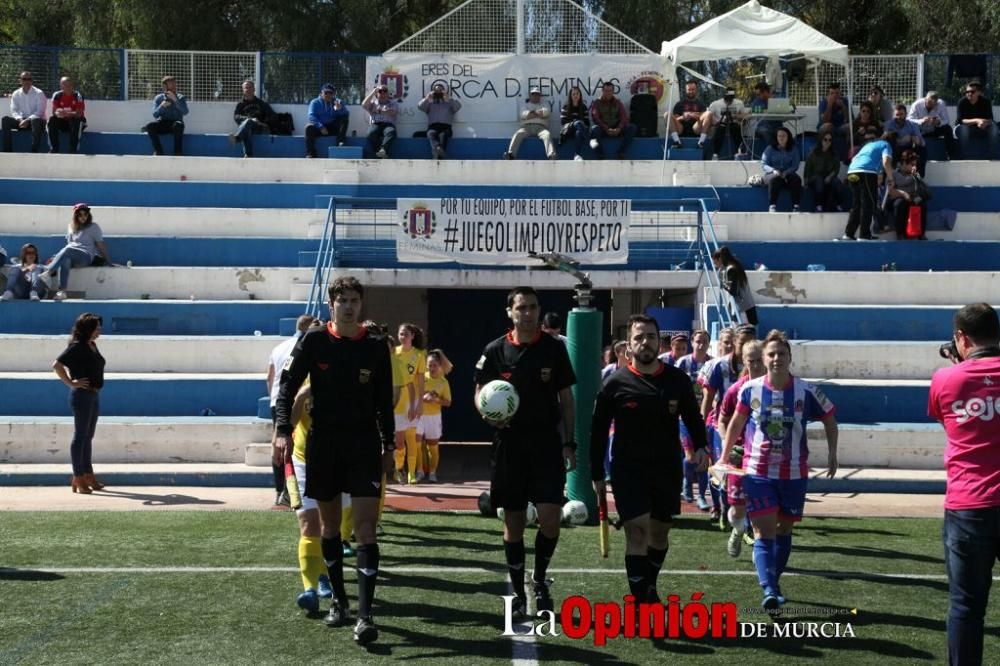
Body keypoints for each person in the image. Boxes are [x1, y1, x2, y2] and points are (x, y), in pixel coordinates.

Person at [273, 276, 395, 645]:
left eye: (355, 300)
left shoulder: (375, 347)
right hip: (323, 444)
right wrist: (281, 429)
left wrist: (388, 445)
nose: (348, 305)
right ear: (331, 304)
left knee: (365, 529)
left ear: (361, 305)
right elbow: (287, 386)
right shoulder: (313, 340)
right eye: (342, 299)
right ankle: (339, 602)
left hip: (362, 445)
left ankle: (366, 614)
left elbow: (383, 401)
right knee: (328, 528)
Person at [590, 314, 708, 609]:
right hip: (628, 468)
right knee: (638, 530)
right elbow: (598, 430)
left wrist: (702, 446)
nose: (645, 342)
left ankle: (649, 584)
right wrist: (595, 471)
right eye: (638, 337)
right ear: (628, 346)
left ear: (659, 342)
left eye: (651, 337)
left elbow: (693, 417)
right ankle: (640, 601)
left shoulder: (677, 380)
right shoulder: (614, 383)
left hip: (666, 467)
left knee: (659, 533)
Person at [474, 286, 576, 619]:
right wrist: (487, 414)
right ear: (510, 312)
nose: (527, 313)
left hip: (546, 444)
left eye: (533, 307)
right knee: (514, 521)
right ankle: (518, 592)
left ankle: (541, 578)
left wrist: (569, 442)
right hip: (509, 446)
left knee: (549, 520)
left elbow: (567, 398)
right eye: (521, 308)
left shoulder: (554, 349)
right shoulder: (494, 350)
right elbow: (480, 392)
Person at [721, 329, 838, 611]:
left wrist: (833, 454)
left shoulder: (806, 390)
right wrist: (724, 457)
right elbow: (735, 424)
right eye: (771, 354)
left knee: (785, 529)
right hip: (757, 473)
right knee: (763, 532)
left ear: (790, 357)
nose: (776, 359)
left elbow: (830, 418)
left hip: (794, 474)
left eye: (781, 354)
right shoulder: (750, 390)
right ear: (763, 358)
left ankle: (775, 580)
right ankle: (769, 590)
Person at [928, 303, 1000, 666]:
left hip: (968, 504)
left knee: (966, 607)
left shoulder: (945, 378)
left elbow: (948, 420)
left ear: (961, 338)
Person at [698, 324, 757, 525]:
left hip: (750, 428)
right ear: (734, 343)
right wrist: (699, 428)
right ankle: (719, 507)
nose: (747, 346)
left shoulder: (759, 366)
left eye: (751, 342)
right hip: (721, 424)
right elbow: (707, 398)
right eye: (743, 342)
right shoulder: (719, 366)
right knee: (720, 468)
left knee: (747, 474)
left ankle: (744, 516)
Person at [286, 380, 335, 612]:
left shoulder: (341, 371)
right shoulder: (299, 377)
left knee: (330, 527)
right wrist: (302, 395)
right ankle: (309, 590)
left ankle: (325, 575)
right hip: (303, 460)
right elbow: (290, 421)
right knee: (308, 525)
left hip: (335, 461)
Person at [715, 339, 766, 557]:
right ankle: (738, 530)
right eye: (750, 360)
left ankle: (760, 553)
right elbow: (722, 420)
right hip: (737, 458)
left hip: (764, 458)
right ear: (743, 361)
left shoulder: (775, 389)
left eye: (758, 360)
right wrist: (729, 445)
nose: (754, 365)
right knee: (737, 510)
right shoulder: (737, 389)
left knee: (762, 509)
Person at [52, 312, 107, 495]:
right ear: (88, 329)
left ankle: (88, 474)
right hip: (81, 396)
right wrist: (71, 382)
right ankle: (78, 475)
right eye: (97, 327)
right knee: (81, 435)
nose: (100, 330)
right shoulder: (77, 346)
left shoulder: (93, 345)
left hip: (93, 394)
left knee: (88, 436)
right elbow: (57, 365)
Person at [266, 315, 316, 508]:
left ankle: (282, 490)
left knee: (279, 444)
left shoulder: (279, 348)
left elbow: (269, 377)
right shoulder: (308, 347)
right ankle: (292, 491)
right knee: (295, 443)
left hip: (278, 400)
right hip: (297, 400)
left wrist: (274, 399)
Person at [40, 203, 112, 301]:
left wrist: (108, 260)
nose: (83, 217)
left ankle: (48, 273)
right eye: (80, 214)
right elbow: (70, 243)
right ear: (75, 215)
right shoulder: (71, 227)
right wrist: (57, 257)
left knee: (67, 250)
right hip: (71, 255)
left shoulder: (93, 227)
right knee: (65, 260)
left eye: (85, 214)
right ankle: (62, 291)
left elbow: (100, 245)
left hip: (85, 256)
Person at [677, 329, 713, 507]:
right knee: (690, 456)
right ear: (692, 342)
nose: (701, 344)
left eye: (704, 341)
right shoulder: (683, 363)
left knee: (703, 457)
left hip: (706, 416)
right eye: (698, 341)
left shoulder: (712, 363)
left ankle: (701, 497)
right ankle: (687, 485)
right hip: (685, 417)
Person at [843, 130, 895, 241]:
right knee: (868, 204)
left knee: (857, 204)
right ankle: (864, 235)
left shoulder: (870, 145)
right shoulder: (886, 145)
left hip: (852, 172)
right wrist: (891, 178)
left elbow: (875, 165)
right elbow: (886, 162)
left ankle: (849, 234)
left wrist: (878, 178)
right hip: (865, 172)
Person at [393, 323, 427, 484]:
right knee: (399, 440)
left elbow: (420, 381)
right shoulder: (394, 353)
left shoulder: (419, 355)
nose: (403, 337)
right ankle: (399, 468)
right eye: (401, 334)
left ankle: (411, 473)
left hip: (412, 401)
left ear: (412, 336)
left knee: (411, 437)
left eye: (406, 334)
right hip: (397, 400)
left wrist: (419, 403)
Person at [420, 348, 452, 482]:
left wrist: (435, 400)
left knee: (432, 446)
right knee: (418, 445)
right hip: (419, 416)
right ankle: (420, 471)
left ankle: (432, 472)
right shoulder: (421, 377)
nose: (432, 368)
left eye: (435, 365)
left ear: (439, 366)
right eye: (430, 365)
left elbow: (448, 402)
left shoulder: (443, 381)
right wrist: (423, 397)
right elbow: (413, 394)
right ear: (426, 365)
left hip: (434, 417)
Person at [886, 150, 931, 240]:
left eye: (915, 164)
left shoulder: (915, 174)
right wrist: (903, 194)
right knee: (899, 204)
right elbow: (891, 191)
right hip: (896, 198)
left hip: (911, 198)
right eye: (911, 164)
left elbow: (922, 188)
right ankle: (900, 234)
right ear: (903, 163)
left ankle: (921, 233)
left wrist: (916, 177)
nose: (914, 167)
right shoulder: (893, 174)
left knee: (922, 204)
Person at [588, 81, 637, 160]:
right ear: (602, 91)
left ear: (613, 91)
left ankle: (621, 152)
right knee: (594, 130)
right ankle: (600, 155)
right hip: (604, 130)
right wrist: (606, 128)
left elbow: (624, 117)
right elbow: (595, 118)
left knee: (632, 127)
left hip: (616, 129)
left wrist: (619, 128)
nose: (608, 93)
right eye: (606, 91)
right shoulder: (597, 103)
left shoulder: (618, 102)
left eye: (610, 91)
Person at [504, 87, 555, 160]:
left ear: (540, 96)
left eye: (537, 94)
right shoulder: (525, 105)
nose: (535, 96)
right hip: (526, 127)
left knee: (547, 134)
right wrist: (538, 114)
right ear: (530, 96)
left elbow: (546, 112)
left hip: (541, 127)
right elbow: (523, 114)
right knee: (518, 134)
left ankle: (551, 155)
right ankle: (511, 154)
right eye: (533, 94)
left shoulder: (544, 104)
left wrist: (531, 113)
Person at [2, 71, 47, 153]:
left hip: (37, 122)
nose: (26, 81)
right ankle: (7, 150)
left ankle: (34, 150)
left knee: (35, 120)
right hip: (22, 121)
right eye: (24, 79)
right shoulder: (16, 93)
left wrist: (28, 120)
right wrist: (20, 120)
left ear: (32, 81)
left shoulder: (39, 93)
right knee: (5, 120)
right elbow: (14, 110)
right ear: (20, 81)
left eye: (29, 79)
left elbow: (40, 111)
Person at [143, 75, 188, 156]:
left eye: (174, 84)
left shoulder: (181, 97)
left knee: (179, 125)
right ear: (165, 87)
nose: (173, 87)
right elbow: (155, 115)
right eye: (171, 85)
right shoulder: (159, 98)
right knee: (150, 126)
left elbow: (185, 112)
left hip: (175, 124)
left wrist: (175, 100)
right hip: (163, 123)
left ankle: (178, 152)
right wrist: (162, 106)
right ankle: (158, 151)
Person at [713, 246, 757, 325]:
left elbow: (733, 291)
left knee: (742, 333)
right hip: (746, 306)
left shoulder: (731, 269)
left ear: (719, 259)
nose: (715, 265)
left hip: (742, 309)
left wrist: (723, 284)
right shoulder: (735, 266)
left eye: (715, 262)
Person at [760, 127, 801, 213]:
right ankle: (772, 206)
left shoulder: (794, 149)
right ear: (776, 137)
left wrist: (787, 172)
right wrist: (773, 170)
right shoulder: (770, 149)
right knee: (774, 179)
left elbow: (795, 165)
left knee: (796, 179)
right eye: (779, 136)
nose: (781, 138)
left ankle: (796, 206)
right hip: (772, 174)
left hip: (787, 174)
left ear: (788, 137)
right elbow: (763, 164)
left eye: (784, 136)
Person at [230, 80, 273, 158]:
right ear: (243, 90)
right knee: (247, 127)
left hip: (260, 128)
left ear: (254, 89)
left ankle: (238, 139)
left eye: (250, 87)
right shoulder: (240, 104)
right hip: (247, 128)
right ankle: (248, 155)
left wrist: (261, 123)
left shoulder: (261, 103)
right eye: (246, 88)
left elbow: (271, 116)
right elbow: (236, 117)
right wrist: (250, 120)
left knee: (246, 128)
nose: (248, 89)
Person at [955, 81, 999, 160]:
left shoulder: (986, 102)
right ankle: (962, 156)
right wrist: (976, 120)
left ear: (979, 92)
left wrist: (984, 123)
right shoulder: (962, 102)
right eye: (967, 92)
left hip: (982, 127)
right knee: (963, 129)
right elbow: (961, 121)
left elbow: (990, 119)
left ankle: (993, 155)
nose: (969, 94)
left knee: (994, 128)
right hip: (965, 127)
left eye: (972, 91)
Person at [418, 82, 461, 160]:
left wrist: (449, 98)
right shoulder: (430, 103)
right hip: (433, 126)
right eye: (436, 90)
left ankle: (437, 158)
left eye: (440, 90)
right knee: (431, 133)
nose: (438, 92)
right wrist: (427, 98)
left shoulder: (449, 102)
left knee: (443, 136)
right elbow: (420, 107)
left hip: (446, 127)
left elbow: (457, 107)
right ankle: (437, 147)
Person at [305, 83, 350, 158]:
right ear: (321, 93)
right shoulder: (315, 102)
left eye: (331, 93)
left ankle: (340, 142)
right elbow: (311, 116)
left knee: (344, 118)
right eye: (326, 93)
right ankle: (311, 153)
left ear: (333, 94)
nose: (328, 95)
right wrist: (321, 127)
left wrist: (340, 109)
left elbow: (346, 114)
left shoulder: (338, 102)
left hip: (332, 127)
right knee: (308, 128)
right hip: (320, 128)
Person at [804, 131, 844, 212]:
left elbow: (836, 168)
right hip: (815, 177)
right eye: (825, 139)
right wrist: (805, 182)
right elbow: (807, 169)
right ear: (821, 140)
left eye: (830, 140)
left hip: (828, 177)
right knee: (819, 181)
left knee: (837, 183)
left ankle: (839, 204)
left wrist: (830, 176)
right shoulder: (813, 153)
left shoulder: (834, 154)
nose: (827, 142)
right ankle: (818, 205)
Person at [908, 90, 956, 159]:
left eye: (934, 104)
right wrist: (921, 121)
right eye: (929, 102)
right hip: (920, 131)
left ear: (937, 102)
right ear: (925, 99)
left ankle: (951, 155)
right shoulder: (916, 105)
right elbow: (909, 120)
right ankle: (912, 156)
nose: (931, 106)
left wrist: (938, 122)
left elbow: (946, 120)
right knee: (910, 129)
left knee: (948, 129)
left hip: (933, 129)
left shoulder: (941, 104)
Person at [668, 80, 711, 149]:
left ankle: (701, 142)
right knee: (667, 114)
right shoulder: (679, 104)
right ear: (686, 90)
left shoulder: (701, 104)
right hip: (681, 129)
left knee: (709, 113)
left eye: (693, 89)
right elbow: (675, 119)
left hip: (696, 128)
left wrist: (696, 116)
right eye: (689, 89)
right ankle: (677, 141)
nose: (691, 91)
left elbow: (705, 118)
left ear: (696, 90)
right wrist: (683, 117)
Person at [48, 76, 86, 154]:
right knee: (52, 120)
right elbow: (54, 112)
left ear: (72, 85)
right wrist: (58, 112)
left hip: (76, 122)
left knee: (76, 121)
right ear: (61, 86)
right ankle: (54, 149)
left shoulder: (78, 95)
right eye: (65, 85)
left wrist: (65, 113)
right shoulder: (57, 95)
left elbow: (78, 114)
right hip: (63, 122)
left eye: (69, 85)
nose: (68, 87)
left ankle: (73, 150)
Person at [885, 104, 926, 174]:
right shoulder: (889, 124)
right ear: (893, 115)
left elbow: (922, 142)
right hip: (894, 148)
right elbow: (884, 139)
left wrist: (915, 139)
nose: (899, 117)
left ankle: (920, 175)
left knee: (922, 150)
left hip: (908, 147)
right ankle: (892, 172)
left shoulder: (912, 124)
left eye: (901, 114)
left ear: (906, 114)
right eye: (897, 115)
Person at [706, 89, 747, 159]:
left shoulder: (739, 103)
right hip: (720, 124)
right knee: (719, 130)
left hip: (733, 123)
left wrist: (735, 116)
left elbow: (745, 116)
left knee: (736, 129)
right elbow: (708, 115)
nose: (729, 101)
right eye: (727, 99)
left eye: (730, 99)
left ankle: (740, 152)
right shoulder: (715, 104)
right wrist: (716, 122)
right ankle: (715, 153)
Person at [362, 84, 398, 159]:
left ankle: (383, 149)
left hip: (388, 124)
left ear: (387, 93)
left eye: (385, 91)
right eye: (380, 91)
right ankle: (381, 152)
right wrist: (373, 92)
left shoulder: (393, 103)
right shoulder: (373, 103)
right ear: (377, 94)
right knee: (370, 133)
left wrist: (378, 111)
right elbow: (363, 104)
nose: (382, 93)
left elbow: (393, 112)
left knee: (391, 132)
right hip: (376, 123)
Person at [559, 86, 590, 161]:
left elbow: (587, 123)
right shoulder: (566, 106)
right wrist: (574, 123)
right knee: (577, 123)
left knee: (579, 132)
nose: (575, 95)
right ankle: (589, 141)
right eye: (573, 94)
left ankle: (577, 155)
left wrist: (581, 125)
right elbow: (563, 123)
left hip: (579, 130)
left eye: (577, 94)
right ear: (570, 96)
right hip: (568, 131)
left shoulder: (583, 107)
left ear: (580, 95)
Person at [749, 81, 780, 152]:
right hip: (762, 127)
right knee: (766, 131)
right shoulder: (756, 102)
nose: (757, 96)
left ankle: (785, 152)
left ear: (765, 92)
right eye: (756, 95)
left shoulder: (777, 100)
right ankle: (774, 151)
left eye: (759, 94)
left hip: (776, 126)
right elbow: (751, 113)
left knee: (783, 132)